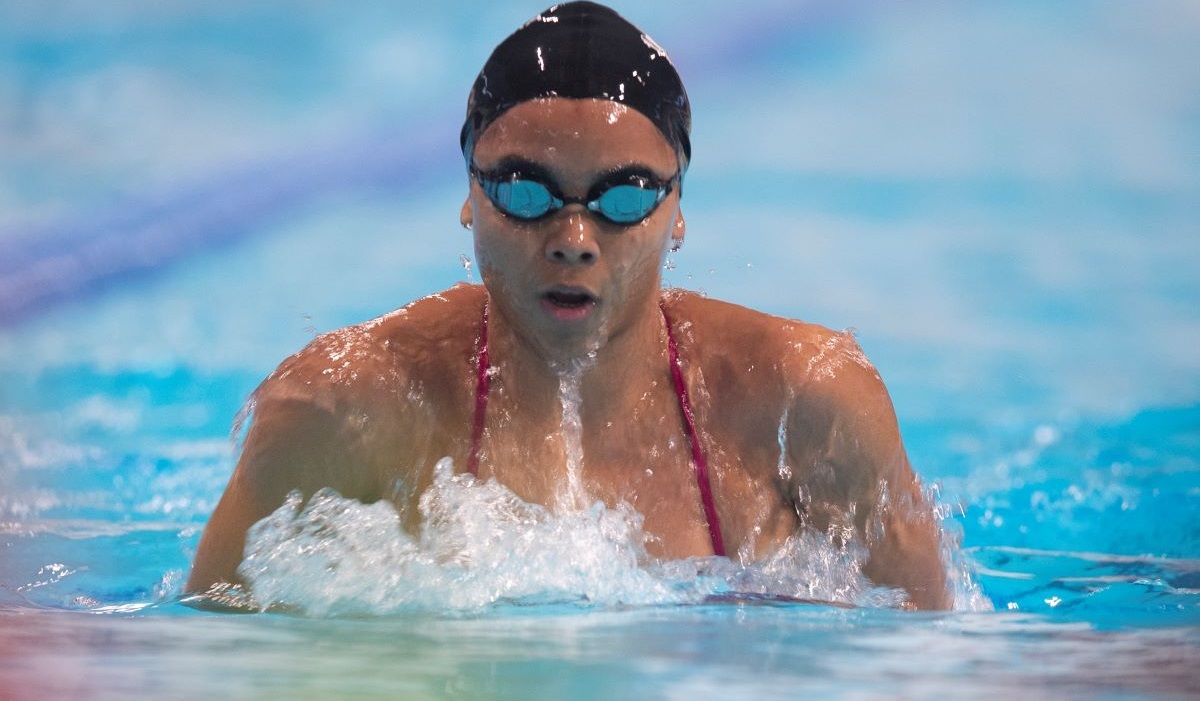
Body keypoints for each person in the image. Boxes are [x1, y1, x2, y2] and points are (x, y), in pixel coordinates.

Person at [187, 1, 951, 610]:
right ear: (469, 194)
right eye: (526, 191)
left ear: (677, 207)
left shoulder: (805, 399)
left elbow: (930, 654)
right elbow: (206, 649)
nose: (574, 238)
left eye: (623, 198)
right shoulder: (346, 407)